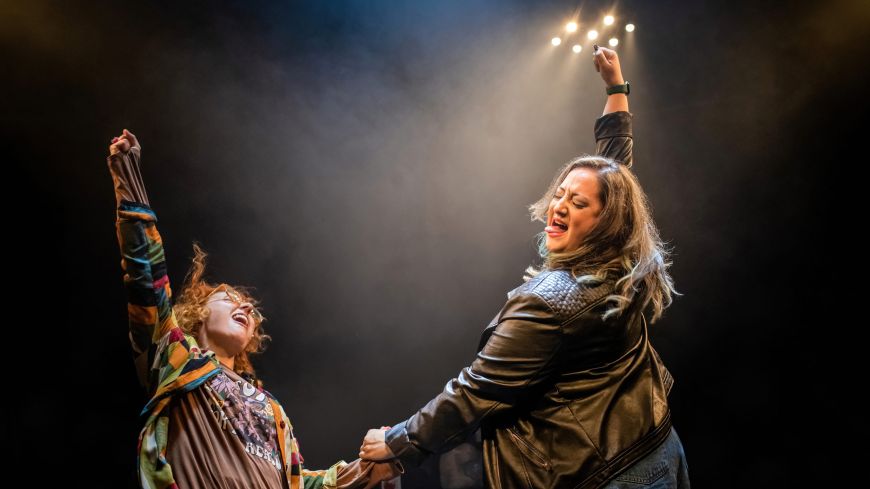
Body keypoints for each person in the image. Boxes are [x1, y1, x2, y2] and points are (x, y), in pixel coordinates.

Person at [359, 46, 690, 489]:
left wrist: (397, 442)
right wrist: (616, 91)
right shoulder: (623, 261)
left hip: (606, 474)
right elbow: (615, 172)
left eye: (577, 202)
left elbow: (478, 389)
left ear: (606, 220)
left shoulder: (549, 302)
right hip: (655, 448)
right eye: (561, 193)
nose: (559, 205)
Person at [108, 130, 402, 489]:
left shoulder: (272, 410)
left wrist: (375, 464)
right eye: (228, 297)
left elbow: (303, 485)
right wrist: (128, 174)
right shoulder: (175, 358)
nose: (245, 304)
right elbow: (145, 276)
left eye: (249, 306)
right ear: (199, 312)